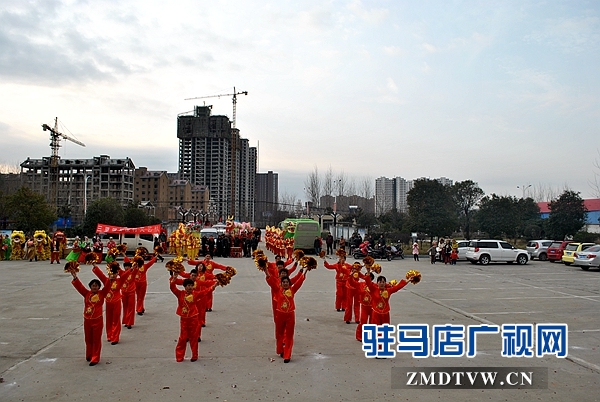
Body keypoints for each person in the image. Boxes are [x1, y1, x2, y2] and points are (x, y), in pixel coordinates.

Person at [264, 265, 307, 363]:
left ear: (289, 283)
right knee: (280, 334)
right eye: (284, 282)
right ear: (281, 283)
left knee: (289, 335)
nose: (285, 283)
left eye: (287, 282)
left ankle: (287, 355)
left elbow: (299, 281)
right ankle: (280, 350)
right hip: (280, 314)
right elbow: (270, 281)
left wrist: (305, 271)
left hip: (290, 315)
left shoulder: (292, 290)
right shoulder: (277, 289)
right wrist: (265, 270)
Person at [169, 274, 216, 362]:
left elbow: (205, 292)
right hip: (184, 319)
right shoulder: (180, 294)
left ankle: (195, 355)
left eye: (191, 285)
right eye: (188, 285)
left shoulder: (196, 294)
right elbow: (173, 288)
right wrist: (173, 279)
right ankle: (179, 356)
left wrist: (213, 286)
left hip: (193, 318)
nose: (190, 287)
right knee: (183, 338)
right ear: (185, 286)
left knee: (194, 337)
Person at [69, 268, 110, 366]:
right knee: (88, 339)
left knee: (96, 339)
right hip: (87, 320)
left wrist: (110, 277)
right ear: (90, 287)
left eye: (96, 286)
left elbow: (108, 286)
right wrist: (75, 277)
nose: (94, 287)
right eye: (93, 286)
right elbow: (79, 287)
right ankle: (89, 354)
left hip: (97, 320)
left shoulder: (102, 294)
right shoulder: (86, 293)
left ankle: (95, 358)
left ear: (99, 287)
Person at [92, 263, 126, 344]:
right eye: (111, 273)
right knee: (109, 319)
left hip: (117, 302)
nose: (113, 275)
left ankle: (115, 337)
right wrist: (94, 265)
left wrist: (132, 268)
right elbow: (100, 274)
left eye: (115, 273)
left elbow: (126, 274)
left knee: (116, 320)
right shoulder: (106, 280)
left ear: (117, 274)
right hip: (108, 302)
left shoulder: (120, 281)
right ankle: (109, 335)